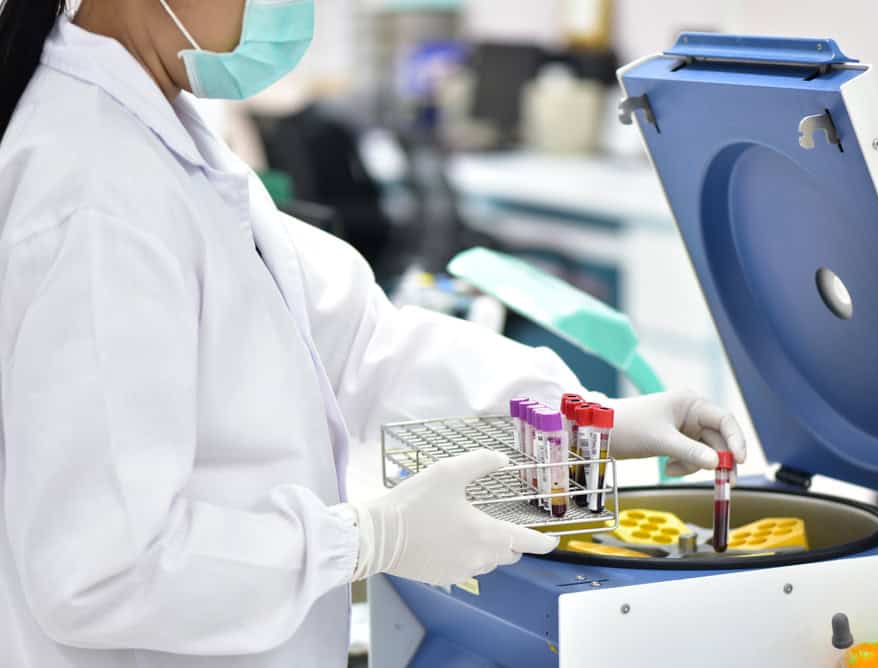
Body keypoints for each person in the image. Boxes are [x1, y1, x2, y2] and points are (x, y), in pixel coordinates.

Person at [0, 1, 747, 666]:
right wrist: (363, 541)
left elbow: (359, 346)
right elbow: (101, 569)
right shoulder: (96, 196)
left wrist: (576, 418)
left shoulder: (167, 137)